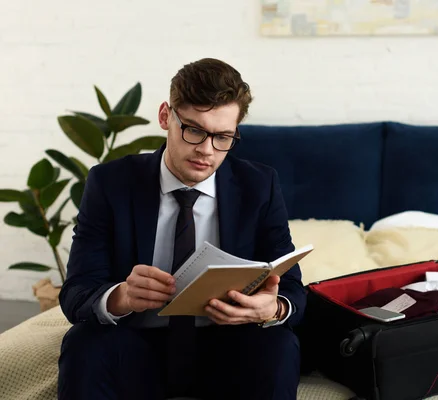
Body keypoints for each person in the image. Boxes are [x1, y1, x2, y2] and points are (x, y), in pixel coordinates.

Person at [57, 58, 305, 400]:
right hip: (137, 347)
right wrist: (121, 297)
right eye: (194, 130)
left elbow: (292, 287)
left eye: (223, 137)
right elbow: (76, 292)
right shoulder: (111, 183)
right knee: (83, 344)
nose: (206, 150)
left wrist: (273, 308)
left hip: (227, 347)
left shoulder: (259, 185)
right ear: (165, 117)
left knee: (279, 344)